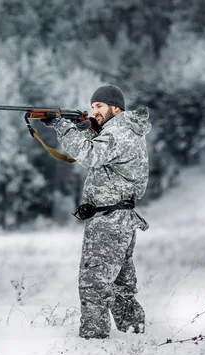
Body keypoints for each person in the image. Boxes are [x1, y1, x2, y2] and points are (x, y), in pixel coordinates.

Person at [40, 84, 150, 339]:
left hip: (109, 222)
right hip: (118, 218)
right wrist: (83, 130)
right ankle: (135, 334)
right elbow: (102, 153)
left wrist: (62, 126)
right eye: (92, 107)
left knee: (93, 284)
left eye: (99, 106)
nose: (95, 112)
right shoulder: (122, 131)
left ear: (116, 107)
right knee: (121, 285)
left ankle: (94, 341)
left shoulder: (119, 131)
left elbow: (90, 155)